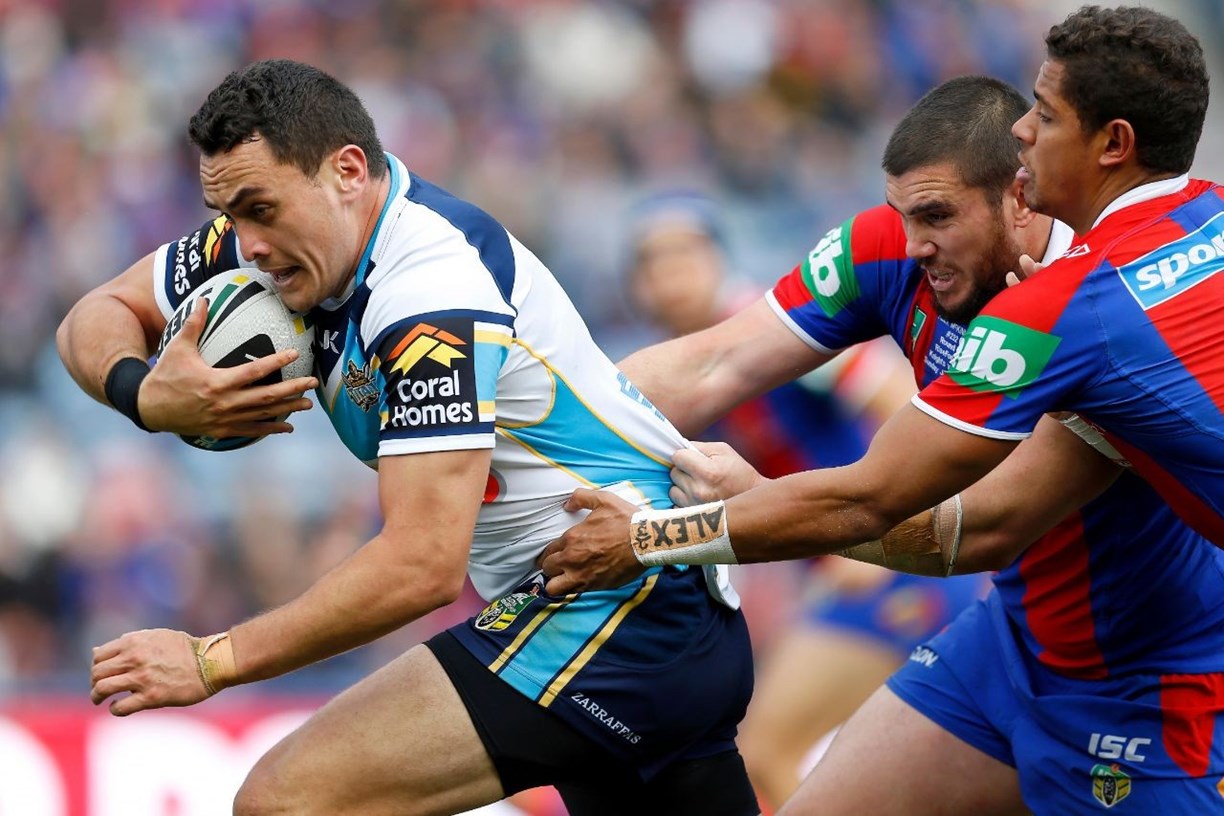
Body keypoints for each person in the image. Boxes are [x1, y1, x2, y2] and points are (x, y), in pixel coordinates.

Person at [56, 59, 760, 816]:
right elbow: (96, 314)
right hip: (635, 615)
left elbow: (421, 565)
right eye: (228, 214)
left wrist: (211, 660)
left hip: (623, 610)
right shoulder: (281, 239)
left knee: (287, 801)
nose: (246, 244)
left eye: (260, 209)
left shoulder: (430, 292)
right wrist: (142, 394)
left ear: (347, 172)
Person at [544, 53, 1224, 816]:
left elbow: (972, 523)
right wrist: (528, 425)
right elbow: (713, 362)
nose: (911, 246)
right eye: (903, 215)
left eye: (936, 217)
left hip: (1151, 678)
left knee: (768, 747)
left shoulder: (1091, 306)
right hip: (1006, 644)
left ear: (1019, 197)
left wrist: (686, 528)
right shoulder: (888, 251)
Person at [624, 189, 987, 808]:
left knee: (766, 752)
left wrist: (878, 524)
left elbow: (903, 402)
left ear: (719, 258)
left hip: (890, 568)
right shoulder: (681, 372)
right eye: (652, 261)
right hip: (856, 566)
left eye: (686, 252)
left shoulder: (768, 330)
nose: (671, 273)